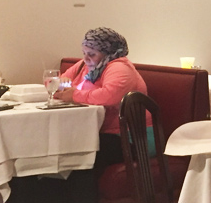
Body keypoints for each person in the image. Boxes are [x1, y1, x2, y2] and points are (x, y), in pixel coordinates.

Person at [47, 27, 150, 202]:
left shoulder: (119, 67)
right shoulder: (83, 65)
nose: (86, 58)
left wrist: (73, 95)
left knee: (82, 156)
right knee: (67, 151)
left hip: (130, 137)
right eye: (84, 52)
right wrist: (60, 84)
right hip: (98, 132)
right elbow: (52, 84)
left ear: (108, 52)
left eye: (92, 54)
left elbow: (108, 95)